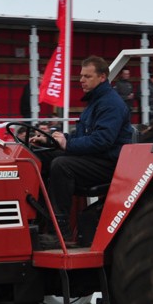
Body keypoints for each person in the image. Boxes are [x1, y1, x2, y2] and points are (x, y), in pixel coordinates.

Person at [34, 56, 133, 248]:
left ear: (102, 77)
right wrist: (52, 140)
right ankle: (37, 222)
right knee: (40, 157)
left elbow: (102, 141)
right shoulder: (95, 101)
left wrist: (67, 145)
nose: (81, 80)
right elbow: (81, 136)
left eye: (87, 76)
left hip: (108, 163)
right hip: (93, 157)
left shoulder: (110, 104)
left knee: (61, 165)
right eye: (81, 76)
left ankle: (60, 234)